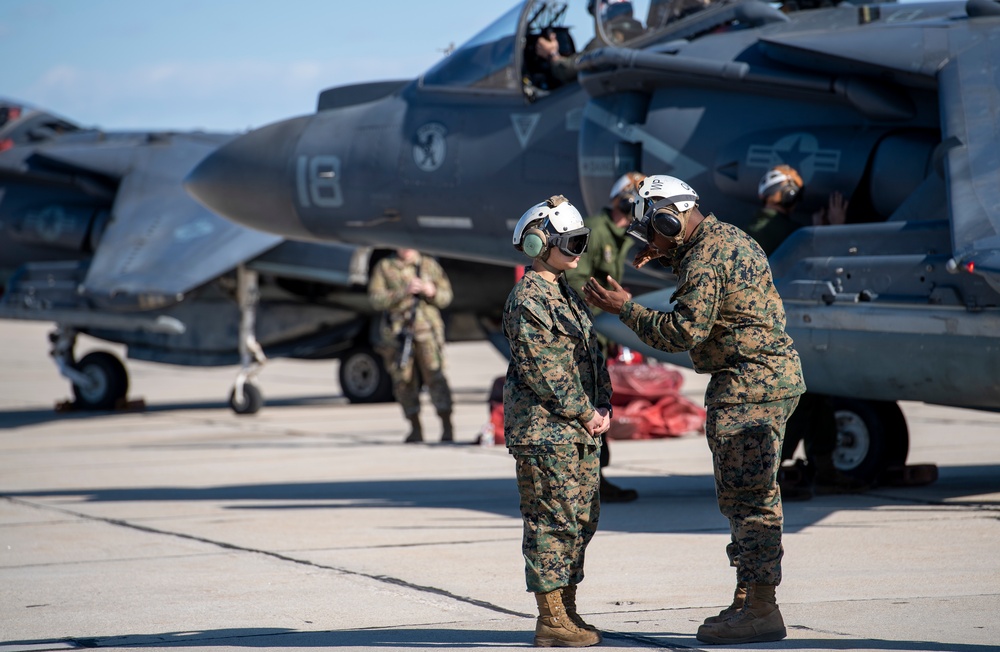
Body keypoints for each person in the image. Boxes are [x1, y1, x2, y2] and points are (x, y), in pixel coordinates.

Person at [583, 175, 805, 645]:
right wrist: (668, 254)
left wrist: (626, 309)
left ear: (671, 218)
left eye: (656, 231)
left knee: (749, 501)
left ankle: (762, 608)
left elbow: (683, 333)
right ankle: (749, 597)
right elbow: (713, 293)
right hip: (763, 381)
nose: (654, 242)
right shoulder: (725, 239)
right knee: (744, 497)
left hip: (749, 387)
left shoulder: (705, 258)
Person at [504, 195, 612, 647]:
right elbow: (546, 370)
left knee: (580, 522)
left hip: (577, 431)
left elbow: (591, 356)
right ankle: (550, 620)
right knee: (552, 523)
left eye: (580, 242)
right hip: (546, 434)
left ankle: (566, 609)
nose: (577, 252)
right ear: (538, 244)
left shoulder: (565, 295)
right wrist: (587, 411)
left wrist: (603, 405)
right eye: (570, 243)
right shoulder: (529, 299)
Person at [747, 165, 865, 500]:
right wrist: (833, 232)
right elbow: (815, 265)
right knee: (803, 397)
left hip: (773, 326)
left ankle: (811, 469)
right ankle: (781, 475)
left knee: (808, 398)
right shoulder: (781, 230)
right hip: (790, 326)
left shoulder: (757, 227)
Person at [566, 171, 646, 503]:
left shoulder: (620, 234)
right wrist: (605, 313)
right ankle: (589, 482)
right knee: (587, 402)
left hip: (597, 332)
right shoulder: (597, 232)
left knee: (599, 402)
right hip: (584, 333)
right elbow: (576, 280)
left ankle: (595, 478)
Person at [368, 248, 454, 444]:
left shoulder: (428, 265)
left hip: (427, 332)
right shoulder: (385, 267)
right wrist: (402, 292)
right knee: (403, 381)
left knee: (435, 377)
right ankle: (415, 427)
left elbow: (446, 296)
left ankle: (447, 426)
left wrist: (430, 291)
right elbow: (375, 299)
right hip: (398, 334)